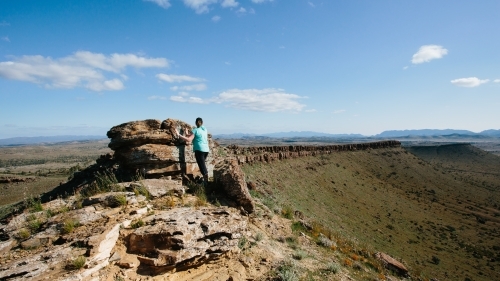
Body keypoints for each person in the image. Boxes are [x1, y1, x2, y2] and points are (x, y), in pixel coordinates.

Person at [176, 117, 210, 186]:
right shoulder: (204, 129)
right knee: (203, 165)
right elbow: (195, 136)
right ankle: (205, 181)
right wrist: (186, 133)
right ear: (202, 123)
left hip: (199, 150)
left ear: (195, 123)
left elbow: (189, 139)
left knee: (202, 167)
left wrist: (179, 135)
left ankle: (206, 183)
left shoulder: (195, 130)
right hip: (206, 150)